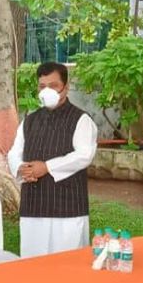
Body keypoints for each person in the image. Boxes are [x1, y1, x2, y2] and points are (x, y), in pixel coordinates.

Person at [7, 62, 98, 257]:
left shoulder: (81, 119)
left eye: (54, 85)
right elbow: (14, 152)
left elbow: (84, 155)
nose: (47, 90)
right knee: (34, 265)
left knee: (68, 269)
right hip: (34, 206)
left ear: (66, 87)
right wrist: (21, 168)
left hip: (67, 208)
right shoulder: (29, 120)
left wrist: (47, 167)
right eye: (42, 86)